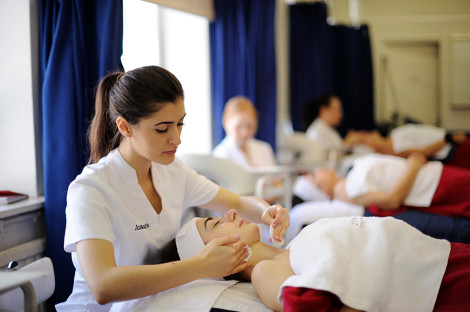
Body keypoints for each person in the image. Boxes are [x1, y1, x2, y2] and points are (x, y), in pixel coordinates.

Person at [55, 66, 290, 312]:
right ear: (125, 127)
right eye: (162, 129)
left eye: (180, 124)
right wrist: (201, 265)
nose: (176, 138)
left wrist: (266, 212)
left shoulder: (172, 171)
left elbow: (239, 203)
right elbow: (103, 286)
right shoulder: (91, 189)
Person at [168, 209, 470, 312]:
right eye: (215, 224)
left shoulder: (294, 246)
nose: (230, 214)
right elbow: (307, 303)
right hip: (437, 286)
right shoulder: (264, 271)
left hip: (438, 257)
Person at [300, 152, 470, 219]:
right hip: (433, 186)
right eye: (315, 175)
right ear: (323, 190)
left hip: (433, 175)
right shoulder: (344, 191)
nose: (319, 168)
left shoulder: (348, 178)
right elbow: (392, 201)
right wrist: (413, 167)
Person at [358, 123, 470, 170]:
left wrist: (450, 137)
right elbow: (422, 153)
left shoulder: (395, 136)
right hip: (452, 150)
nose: (369, 134)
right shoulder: (396, 150)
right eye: (364, 139)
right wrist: (449, 138)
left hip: (455, 145)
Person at [212, 95, 277, 168]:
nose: (245, 133)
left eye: (249, 126)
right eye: (238, 127)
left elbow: (276, 178)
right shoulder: (219, 155)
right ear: (225, 122)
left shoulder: (265, 149)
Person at [303, 94, 371, 153]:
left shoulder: (326, 128)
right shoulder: (318, 131)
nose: (341, 114)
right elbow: (331, 156)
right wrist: (349, 141)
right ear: (324, 109)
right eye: (338, 110)